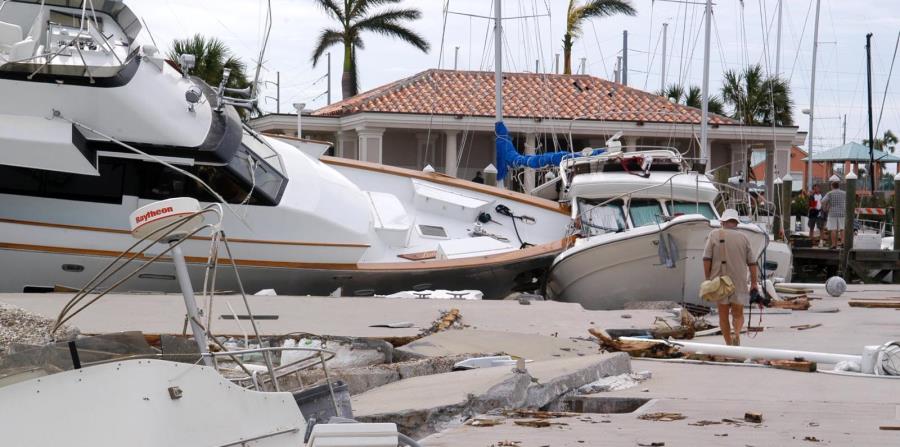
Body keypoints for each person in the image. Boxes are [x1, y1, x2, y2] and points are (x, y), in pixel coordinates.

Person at [703, 209, 760, 346]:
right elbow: (752, 263)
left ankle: (729, 344)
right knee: (738, 313)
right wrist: (754, 283)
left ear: (722, 221)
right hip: (739, 281)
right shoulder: (744, 238)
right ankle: (736, 333)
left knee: (723, 315)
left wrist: (708, 279)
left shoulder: (713, 235)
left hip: (720, 280)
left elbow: (706, 259)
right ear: (736, 222)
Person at [821, 175, 847, 249]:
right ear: (839, 186)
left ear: (832, 186)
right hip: (842, 212)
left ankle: (834, 245)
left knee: (833, 229)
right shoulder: (844, 193)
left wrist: (825, 208)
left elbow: (823, 201)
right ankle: (842, 243)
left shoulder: (830, 193)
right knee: (842, 228)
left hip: (832, 213)